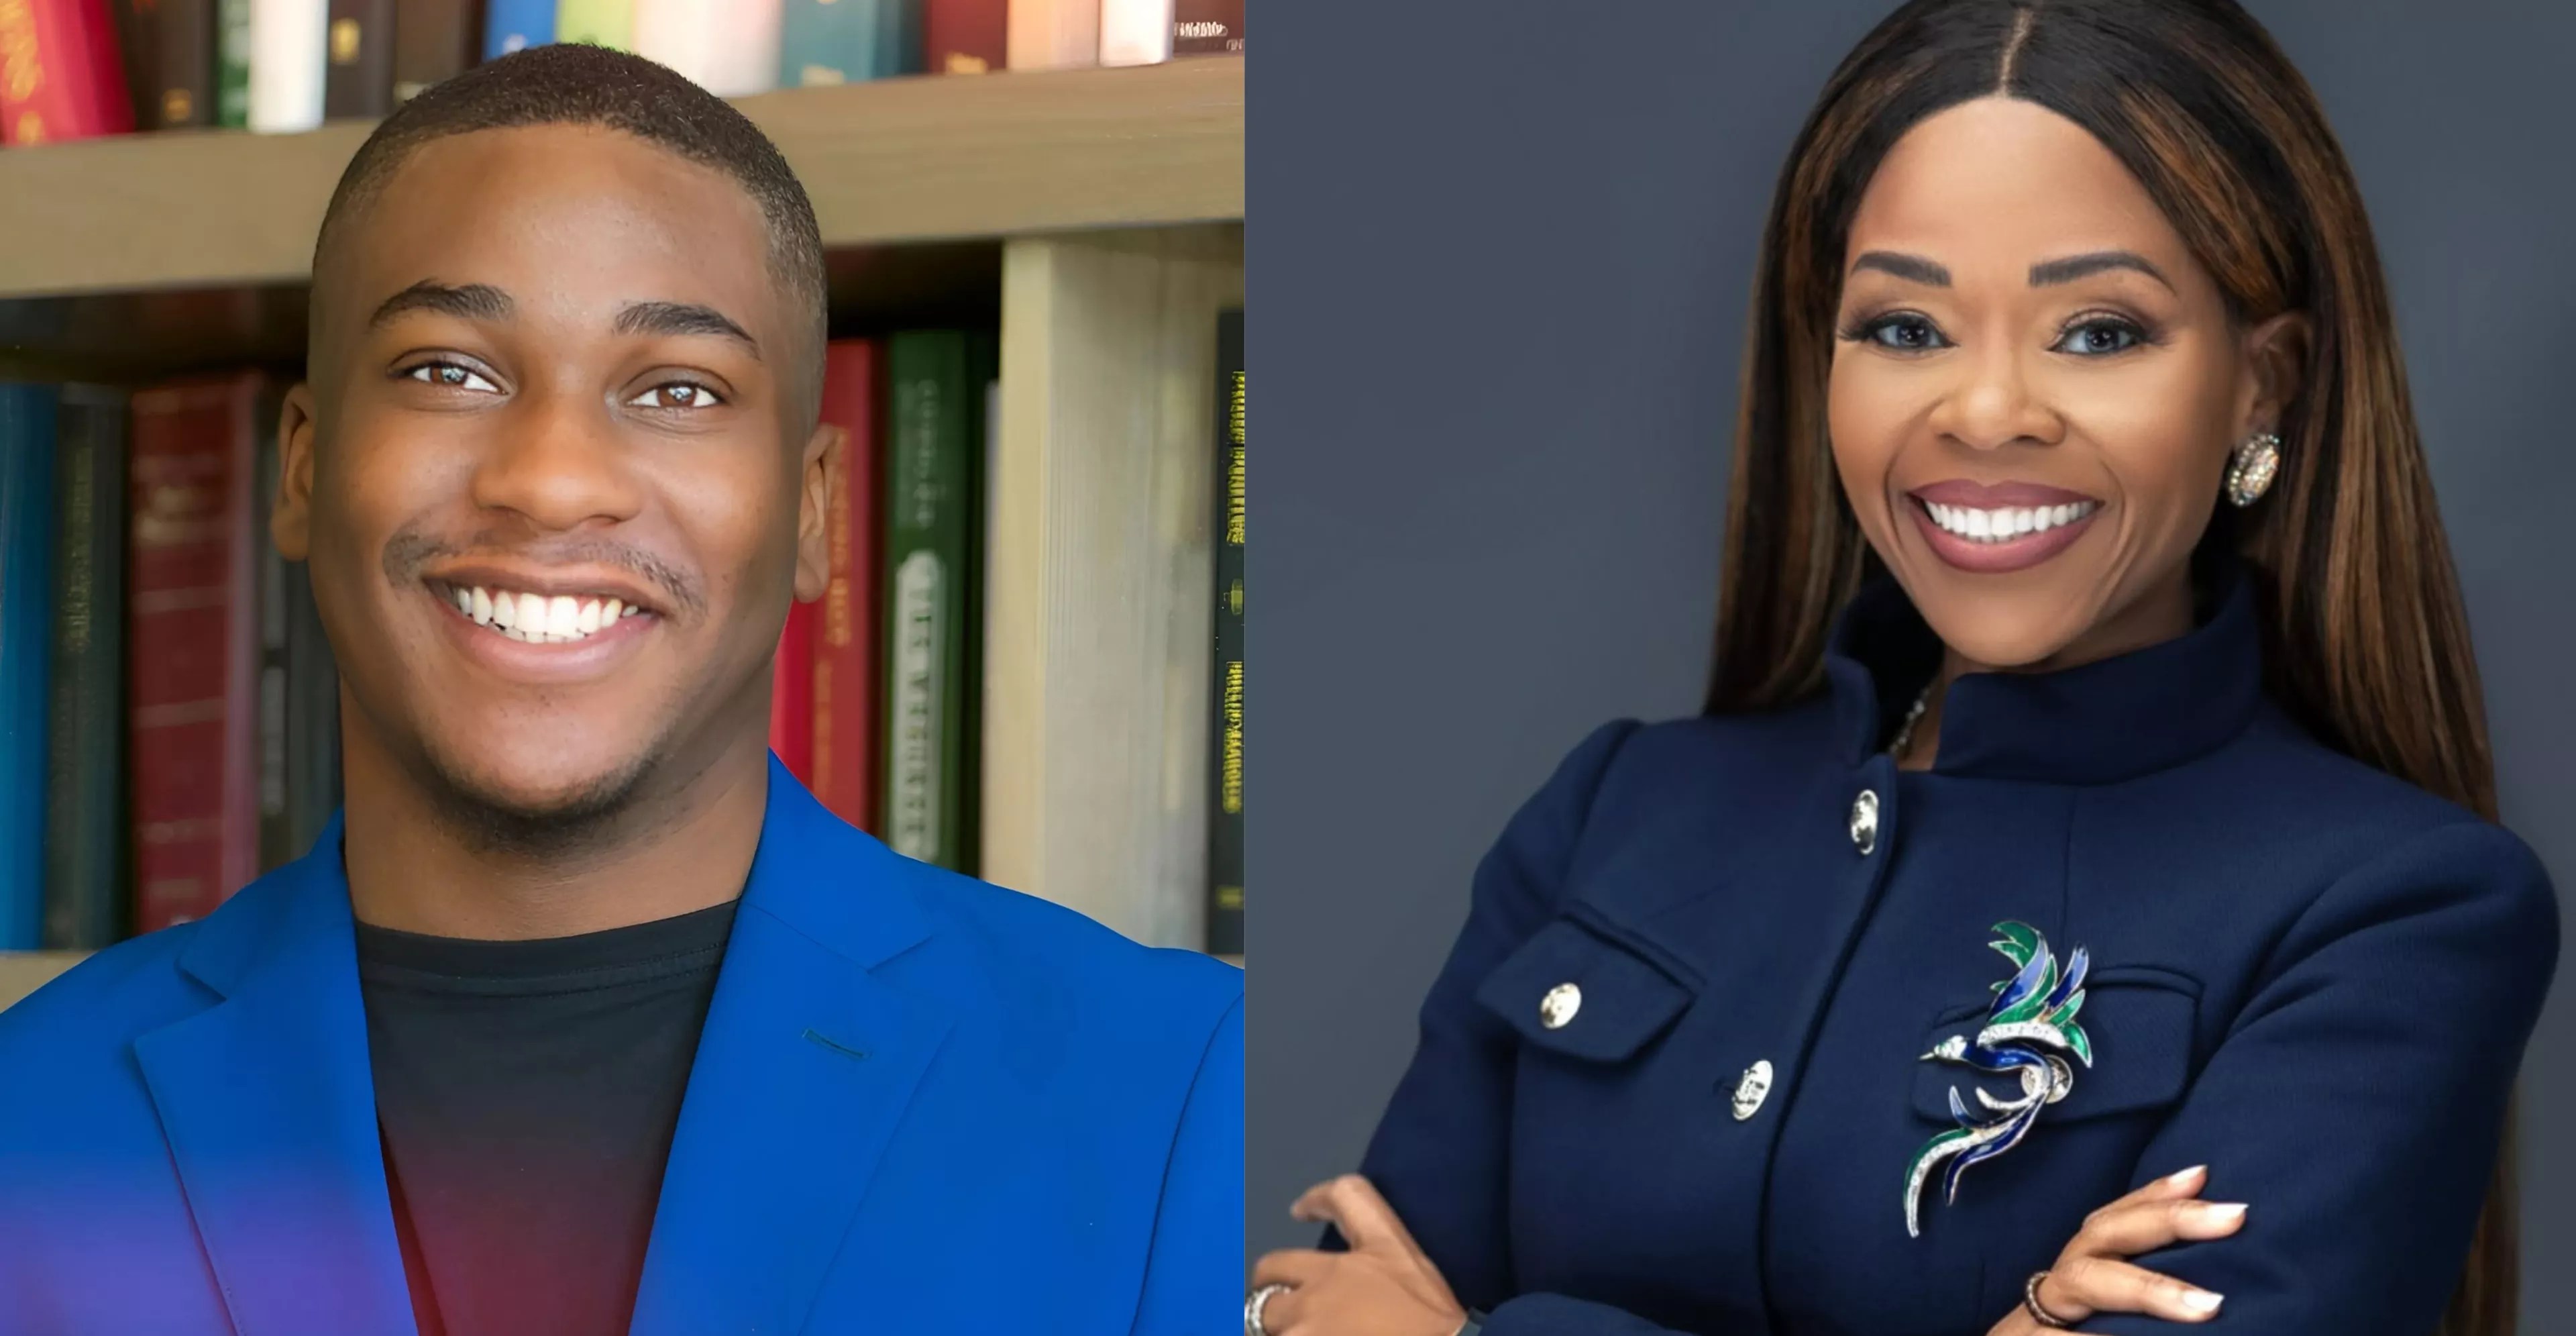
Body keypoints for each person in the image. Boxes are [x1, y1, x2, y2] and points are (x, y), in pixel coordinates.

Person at [1248, 1, 2557, 1334]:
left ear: (2259, 385)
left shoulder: (2396, 914)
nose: (1984, 412)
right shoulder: (1618, 815)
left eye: (2100, 331)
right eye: (1907, 330)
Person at [0, 43, 1240, 1336]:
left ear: (817, 510)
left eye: (678, 389)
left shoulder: (1178, 1099)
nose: (550, 478)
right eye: (449, 370)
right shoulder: (25, 1123)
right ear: (305, 468)